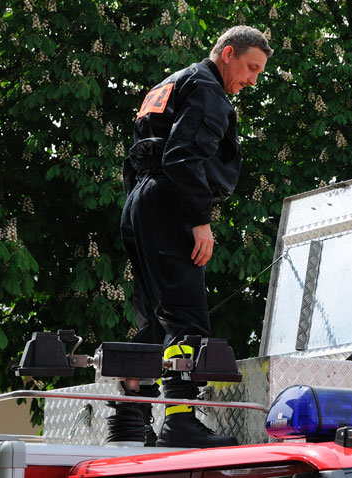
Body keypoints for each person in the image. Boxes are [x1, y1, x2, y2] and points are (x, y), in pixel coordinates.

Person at [115, 26, 272, 448]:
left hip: (139, 200)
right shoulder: (208, 90)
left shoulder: (171, 82)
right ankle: (181, 421)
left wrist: (141, 210)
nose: (252, 80)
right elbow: (182, 157)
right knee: (186, 315)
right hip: (169, 199)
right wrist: (199, 219)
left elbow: (143, 152)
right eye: (251, 68)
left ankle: (130, 422)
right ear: (227, 55)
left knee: (150, 314)